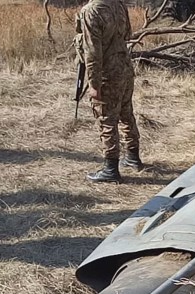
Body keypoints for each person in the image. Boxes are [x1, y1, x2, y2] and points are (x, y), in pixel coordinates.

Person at [75, 0, 143, 183]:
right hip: (125, 68)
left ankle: (110, 169)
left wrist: (94, 84)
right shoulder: (118, 4)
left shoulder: (90, 11)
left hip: (108, 74)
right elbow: (127, 35)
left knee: (106, 118)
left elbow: (92, 52)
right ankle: (133, 157)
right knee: (126, 113)